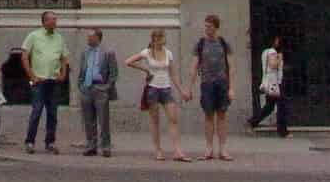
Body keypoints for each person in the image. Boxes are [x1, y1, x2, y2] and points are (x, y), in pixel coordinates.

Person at [130, 29, 187, 161]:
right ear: (154, 39)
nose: (162, 40)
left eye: (163, 37)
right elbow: (129, 61)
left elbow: (173, 73)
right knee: (155, 121)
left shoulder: (168, 53)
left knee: (173, 118)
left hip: (166, 88)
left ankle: (177, 151)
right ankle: (158, 150)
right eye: (159, 38)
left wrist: (181, 90)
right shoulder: (147, 52)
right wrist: (146, 70)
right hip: (152, 89)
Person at [22, 11, 71, 152]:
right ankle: (29, 142)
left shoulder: (59, 38)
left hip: (53, 81)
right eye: (52, 19)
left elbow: (64, 57)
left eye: (56, 19)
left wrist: (63, 73)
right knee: (36, 111)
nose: (55, 22)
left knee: (53, 114)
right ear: (44, 22)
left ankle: (50, 142)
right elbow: (24, 56)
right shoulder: (34, 36)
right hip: (39, 81)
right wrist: (31, 76)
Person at [187, 13, 234, 161]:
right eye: (205, 26)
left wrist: (231, 88)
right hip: (206, 83)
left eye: (209, 26)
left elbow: (231, 67)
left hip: (222, 83)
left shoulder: (224, 43)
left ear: (216, 27)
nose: (207, 29)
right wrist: (189, 87)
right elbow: (194, 67)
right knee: (208, 115)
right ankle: (208, 148)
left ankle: (223, 149)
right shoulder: (200, 44)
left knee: (222, 115)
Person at [77, 27, 119, 157]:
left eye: (91, 37)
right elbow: (82, 70)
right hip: (86, 88)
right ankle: (91, 145)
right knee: (88, 120)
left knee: (103, 119)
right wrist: (81, 84)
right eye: (88, 37)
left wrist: (107, 86)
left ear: (98, 38)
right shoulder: (85, 52)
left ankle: (105, 146)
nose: (88, 39)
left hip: (100, 88)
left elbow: (114, 72)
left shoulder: (108, 52)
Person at [247, 34, 288, 136]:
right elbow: (273, 64)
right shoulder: (272, 51)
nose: (278, 41)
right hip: (275, 83)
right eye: (277, 39)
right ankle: (282, 131)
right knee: (281, 105)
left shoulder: (265, 52)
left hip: (269, 82)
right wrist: (280, 58)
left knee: (269, 107)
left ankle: (252, 122)